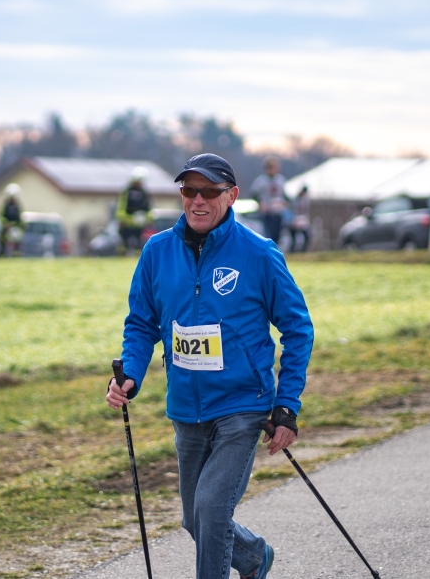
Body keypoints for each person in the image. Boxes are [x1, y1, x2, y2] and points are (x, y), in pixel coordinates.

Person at [106, 153, 314, 579]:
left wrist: (287, 404)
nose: (197, 201)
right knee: (194, 520)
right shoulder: (157, 251)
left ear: (232, 195)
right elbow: (142, 323)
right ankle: (254, 558)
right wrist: (130, 372)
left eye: (209, 191)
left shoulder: (258, 254)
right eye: (189, 191)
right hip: (186, 407)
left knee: (212, 511)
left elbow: (298, 329)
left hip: (242, 405)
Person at [249, 157, 288, 246]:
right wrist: (261, 203)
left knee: (278, 234)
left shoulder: (281, 180)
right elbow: (253, 194)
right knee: (268, 234)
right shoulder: (261, 181)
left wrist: (285, 203)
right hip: (267, 212)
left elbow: (286, 196)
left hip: (278, 211)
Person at [115, 166, 153, 254]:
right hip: (126, 225)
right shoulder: (126, 192)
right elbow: (121, 209)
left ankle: (137, 259)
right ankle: (123, 256)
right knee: (124, 243)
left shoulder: (144, 193)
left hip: (139, 225)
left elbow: (148, 209)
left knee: (138, 244)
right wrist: (126, 220)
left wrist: (146, 219)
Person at [0, 183, 24, 256]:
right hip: (6, 228)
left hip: (16, 228)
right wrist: (6, 224)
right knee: (2, 239)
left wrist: (20, 226)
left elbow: (20, 217)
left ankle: (16, 254)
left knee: (17, 239)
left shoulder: (17, 205)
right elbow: (1, 216)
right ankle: (2, 254)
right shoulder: (5, 205)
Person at [290, 185, 311, 253]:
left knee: (306, 236)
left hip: (303, 220)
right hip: (295, 219)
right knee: (294, 238)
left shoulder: (306, 199)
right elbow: (291, 210)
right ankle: (293, 251)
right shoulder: (295, 199)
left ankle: (303, 251)